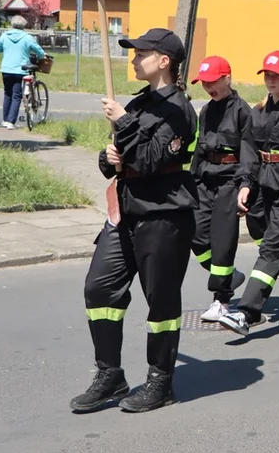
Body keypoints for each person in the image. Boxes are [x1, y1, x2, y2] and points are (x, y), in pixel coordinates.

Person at [71, 29, 197, 413]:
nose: (133, 57)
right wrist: (107, 157)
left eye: (141, 52)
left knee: (161, 302)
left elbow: (151, 159)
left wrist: (123, 121)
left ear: (164, 61)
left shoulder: (180, 110)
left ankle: (161, 381)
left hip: (163, 216)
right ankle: (110, 373)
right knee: (99, 290)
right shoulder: (140, 104)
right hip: (124, 212)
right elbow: (121, 160)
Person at [220, 51, 279, 336]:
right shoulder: (259, 111)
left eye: (277, 75)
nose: (271, 80)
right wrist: (246, 184)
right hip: (263, 186)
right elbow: (248, 151)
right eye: (267, 75)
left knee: (272, 247)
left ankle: (248, 312)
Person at [189, 56, 250, 323]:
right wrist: (190, 181)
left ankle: (221, 300)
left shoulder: (242, 111)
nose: (208, 87)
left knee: (223, 244)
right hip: (205, 181)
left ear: (227, 78)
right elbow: (200, 149)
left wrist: (246, 185)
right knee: (197, 235)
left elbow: (249, 153)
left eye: (213, 82)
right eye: (204, 83)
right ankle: (230, 276)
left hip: (229, 183)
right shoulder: (206, 111)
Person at [0, 26, 47, 130]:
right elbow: (39, 51)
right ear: (23, 26)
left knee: (7, 94)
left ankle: (5, 120)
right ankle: (11, 122)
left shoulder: (4, 35)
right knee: (16, 96)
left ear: (12, 25)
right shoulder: (27, 37)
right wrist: (42, 56)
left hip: (6, 69)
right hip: (20, 70)